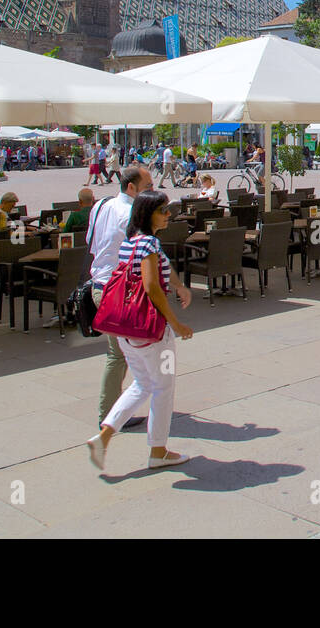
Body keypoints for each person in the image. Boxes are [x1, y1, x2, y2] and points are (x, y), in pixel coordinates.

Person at [86, 188, 194, 471]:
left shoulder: (130, 242)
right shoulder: (150, 245)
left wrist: (179, 285)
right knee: (163, 388)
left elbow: (154, 275)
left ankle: (104, 436)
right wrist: (175, 322)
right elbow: (151, 287)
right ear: (149, 214)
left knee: (144, 384)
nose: (169, 215)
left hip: (126, 330)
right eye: (163, 210)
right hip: (150, 330)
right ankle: (158, 451)